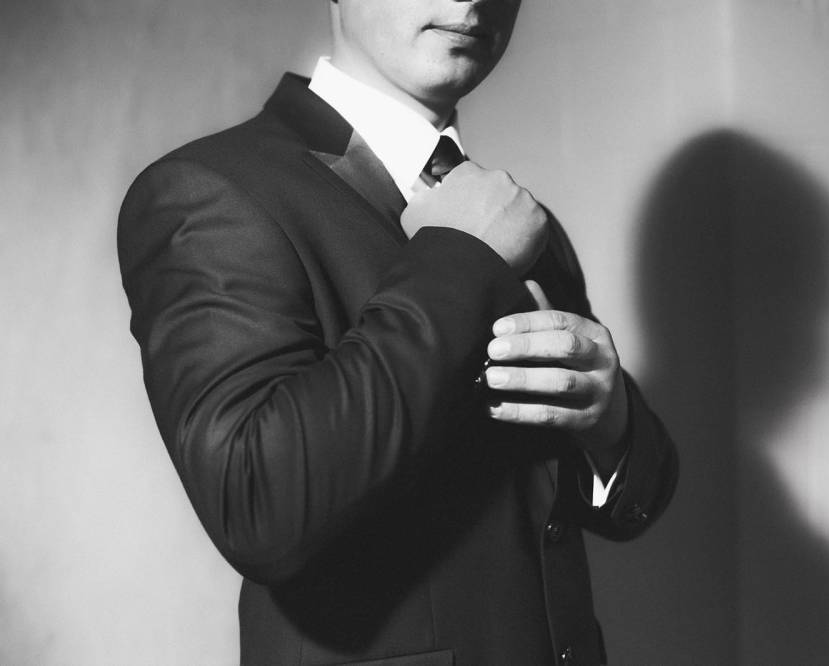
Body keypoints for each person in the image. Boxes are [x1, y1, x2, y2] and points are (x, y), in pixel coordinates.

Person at [118, 1, 678, 664]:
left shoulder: (524, 221)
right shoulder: (211, 189)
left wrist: (612, 422)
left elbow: (608, 504)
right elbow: (256, 504)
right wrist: (461, 257)